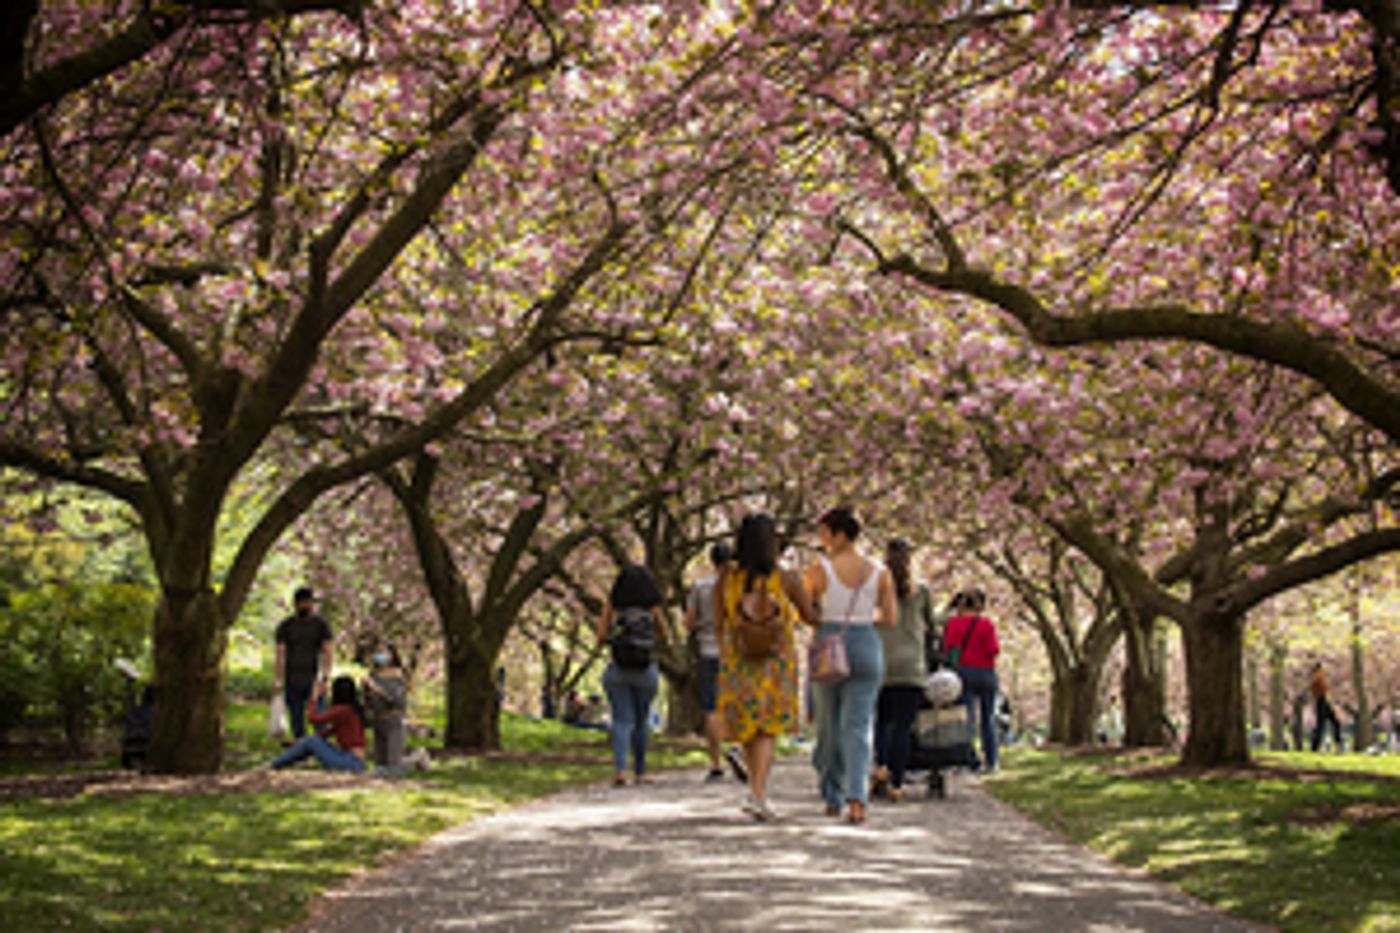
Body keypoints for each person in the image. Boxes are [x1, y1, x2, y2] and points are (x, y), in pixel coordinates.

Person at [716, 513, 816, 821]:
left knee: (748, 726)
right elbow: (810, 615)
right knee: (768, 728)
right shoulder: (785, 577)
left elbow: (719, 622)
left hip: (738, 658)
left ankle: (755, 792)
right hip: (776, 660)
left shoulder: (726, 579)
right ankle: (758, 793)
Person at [804, 506, 898, 824]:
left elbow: (806, 611)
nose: (821, 539)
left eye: (824, 533)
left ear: (839, 535)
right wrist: (863, 617)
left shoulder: (820, 569)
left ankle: (833, 796)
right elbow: (891, 618)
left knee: (829, 726)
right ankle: (858, 799)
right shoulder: (880, 571)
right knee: (859, 727)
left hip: (830, 643)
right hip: (867, 645)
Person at [871, 538, 935, 803]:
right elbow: (931, 625)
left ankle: (882, 767)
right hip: (911, 665)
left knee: (882, 722)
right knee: (903, 727)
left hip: (881, 661)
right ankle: (897, 783)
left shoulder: (875, 588)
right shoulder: (921, 590)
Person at [597, 564, 666, 785]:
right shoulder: (651, 607)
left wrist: (615, 639)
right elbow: (663, 631)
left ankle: (619, 770)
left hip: (618, 670)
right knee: (641, 719)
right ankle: (640, 771)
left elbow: (600, 635)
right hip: (645, 670)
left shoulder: (613, 606)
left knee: (621, 720)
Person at [684, 540, 747, 783]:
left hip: (708, 650)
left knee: (711, 708)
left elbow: (689, 622)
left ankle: (715, 763)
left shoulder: (700, 587)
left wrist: (703, 625)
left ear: (712, 561)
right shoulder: (740, 586)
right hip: (736, 652)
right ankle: (737, 748)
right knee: (737, 705)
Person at [942, 587, 1001, 773]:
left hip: (963, 672)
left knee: (966, 718)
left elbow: (947, 649)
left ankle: (968, 759)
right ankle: (992, 761)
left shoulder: (953, 624)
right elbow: (994, 650)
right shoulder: (986, 624)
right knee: (988, 718)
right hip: (986, 672)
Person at [270, 675, 366, 773]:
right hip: (355, 762)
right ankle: (276, 764)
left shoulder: (343, 710)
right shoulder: (352, 711)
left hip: (350, 761)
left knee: (312, 741)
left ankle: (273, 765)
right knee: (312, 740)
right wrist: (299, 743)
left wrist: (314, 697)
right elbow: (326, 733)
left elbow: (313, 718)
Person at [274, 586, 333, 740]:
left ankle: (321, 746)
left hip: (314, 678)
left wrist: (326, 677)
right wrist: (278, 679)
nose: (307, 606)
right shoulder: (286, 626)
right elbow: (280, 653)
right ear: (296, 604)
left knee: (318, 716)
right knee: (296, 716)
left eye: (309, 602)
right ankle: (301, 747)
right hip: (292, 677)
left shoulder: (321, 625)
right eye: (303, 602)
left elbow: (328, 651)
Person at [362, 639, 409, 774]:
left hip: (394, 722)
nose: (379, 655)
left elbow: (396, 701)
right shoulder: (373, 675)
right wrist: (366, 690)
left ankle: (418, 757)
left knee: (393, 768)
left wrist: (377, 689)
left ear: (391, 654)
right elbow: (369, 704)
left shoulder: (398, 675)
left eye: (382, 652)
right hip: (378, 722)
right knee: (380, 767)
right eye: (377, 652)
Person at [1309, 662, 1344, 752]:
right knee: (1328, 724)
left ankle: (1317, 746)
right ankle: (1335, 745)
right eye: (1322, 670)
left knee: (1324, 725)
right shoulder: (1318, 681)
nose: (1323, 671)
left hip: (1321, 703)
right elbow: (1324, 694)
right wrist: (1331, 705)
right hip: (1323, 702)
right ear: (1318, 670)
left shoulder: (1318, 681)